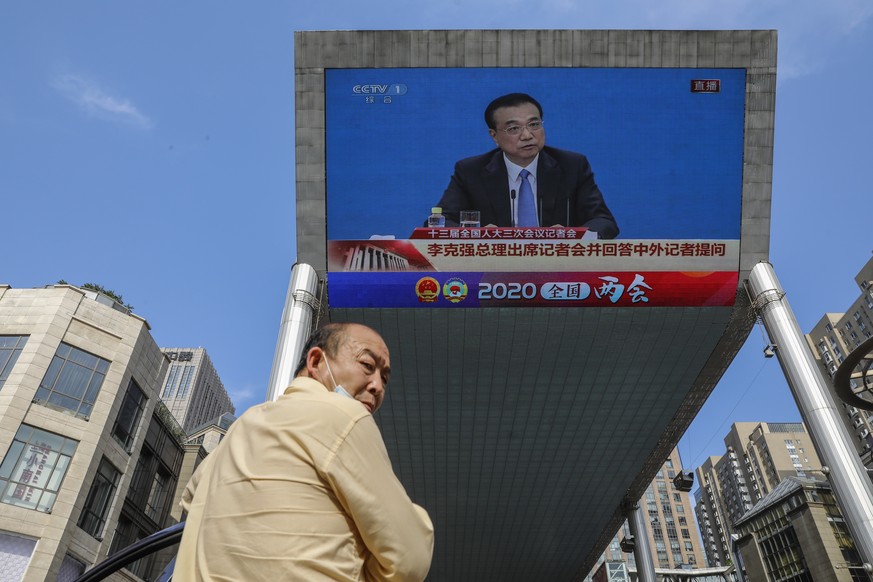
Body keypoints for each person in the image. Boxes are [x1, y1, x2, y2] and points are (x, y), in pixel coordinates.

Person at [175, 322, 434, 581]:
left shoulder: (240, 427)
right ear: (316, 361)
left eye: (385, 378)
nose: (378, 386)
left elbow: (190, 501)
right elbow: (410, 560)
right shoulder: (344, 415)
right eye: (367, 365)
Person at [432, 93, 619, 239]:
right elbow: (440, 222)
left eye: (534, 124)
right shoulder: (471, 171)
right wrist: (476, 234)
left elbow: (604, 222)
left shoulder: (572, 165)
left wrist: (573, 235)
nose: (528, 135)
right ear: (494, 136)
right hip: (493, 269)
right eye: (514, 128)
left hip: (558, 267)